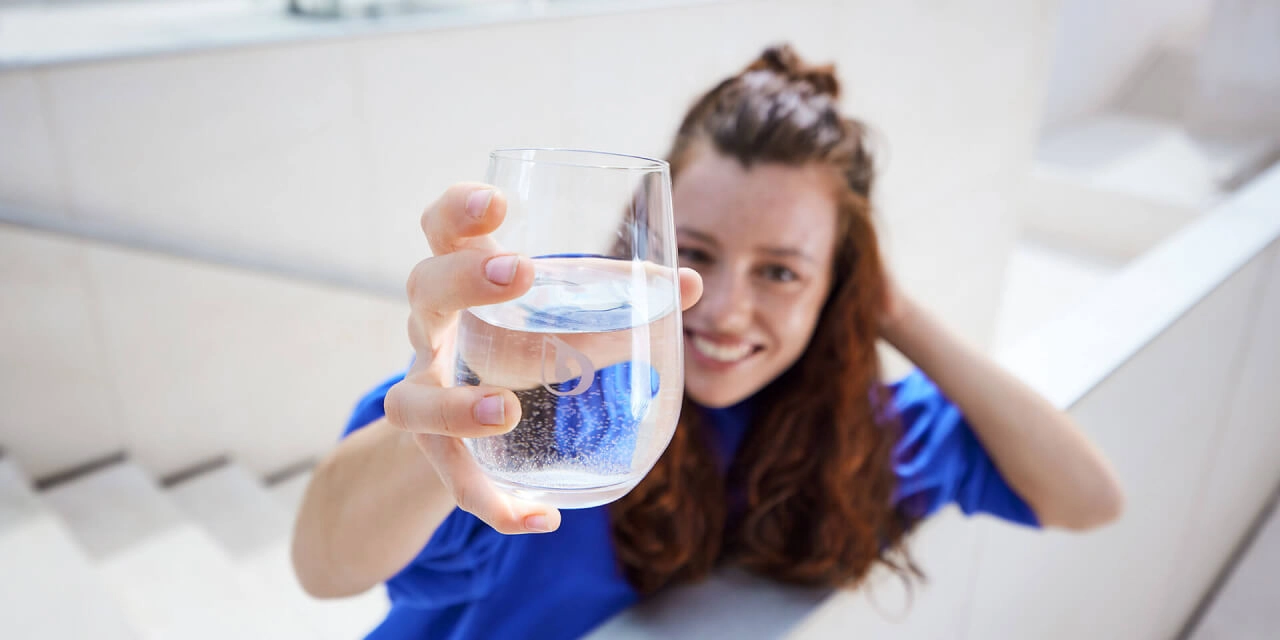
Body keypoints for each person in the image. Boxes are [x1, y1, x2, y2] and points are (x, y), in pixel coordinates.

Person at [291, 45, 1124, 639]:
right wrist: (439, 429)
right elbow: (323, 567)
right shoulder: (562, 399)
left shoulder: (859, 437)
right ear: (643, 248)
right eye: (693, 255)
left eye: (782, 272)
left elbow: (1088, 499)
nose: (723, 309)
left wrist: (894, 309)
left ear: (841, 289)